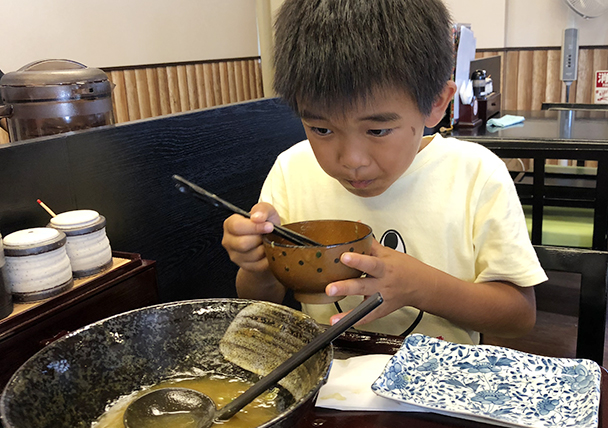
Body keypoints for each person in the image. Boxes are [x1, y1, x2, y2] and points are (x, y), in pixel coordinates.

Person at [222, 0, 547, 344]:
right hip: (329, 381)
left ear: (436, 103)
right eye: (320, 129)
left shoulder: (476, 175)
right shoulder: (292, 169)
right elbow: (258, 303)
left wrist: (420, 287)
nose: (352, 160)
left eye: (377, 131)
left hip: (435, 389)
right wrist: (256, 265)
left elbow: (519, 315)